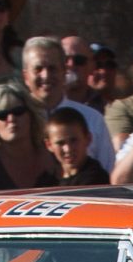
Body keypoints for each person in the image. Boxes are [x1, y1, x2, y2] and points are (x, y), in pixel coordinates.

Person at [20, 36, 114, 166]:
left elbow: (108, 173)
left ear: (64, 72)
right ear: (25, 77)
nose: (46, 75)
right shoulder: (16, 120)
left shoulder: (92, 119)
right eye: (38, 69)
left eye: (52, 68)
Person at [0, 83, 57, 190]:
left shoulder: (55, 153)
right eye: (2, 114)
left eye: (18, 111)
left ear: (31, 115)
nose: (11, 119)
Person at [43, 110, 108, 186]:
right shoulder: (47, 180)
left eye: (73, 140)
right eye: (60, 143)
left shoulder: (96, 181)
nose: (68, 149)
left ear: (88, 139)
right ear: (49, 145)